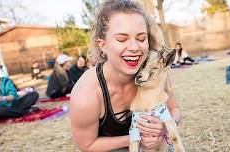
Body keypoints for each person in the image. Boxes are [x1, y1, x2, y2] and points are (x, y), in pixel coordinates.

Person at [70, 0, 182, 151]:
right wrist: (136, 139)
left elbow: (174, 109)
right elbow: (87, 145)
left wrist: (165, 128)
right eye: (122, 39)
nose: (134, 48)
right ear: (103, 45)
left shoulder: (154, 72)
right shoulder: (86, 93)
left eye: (141, 38)